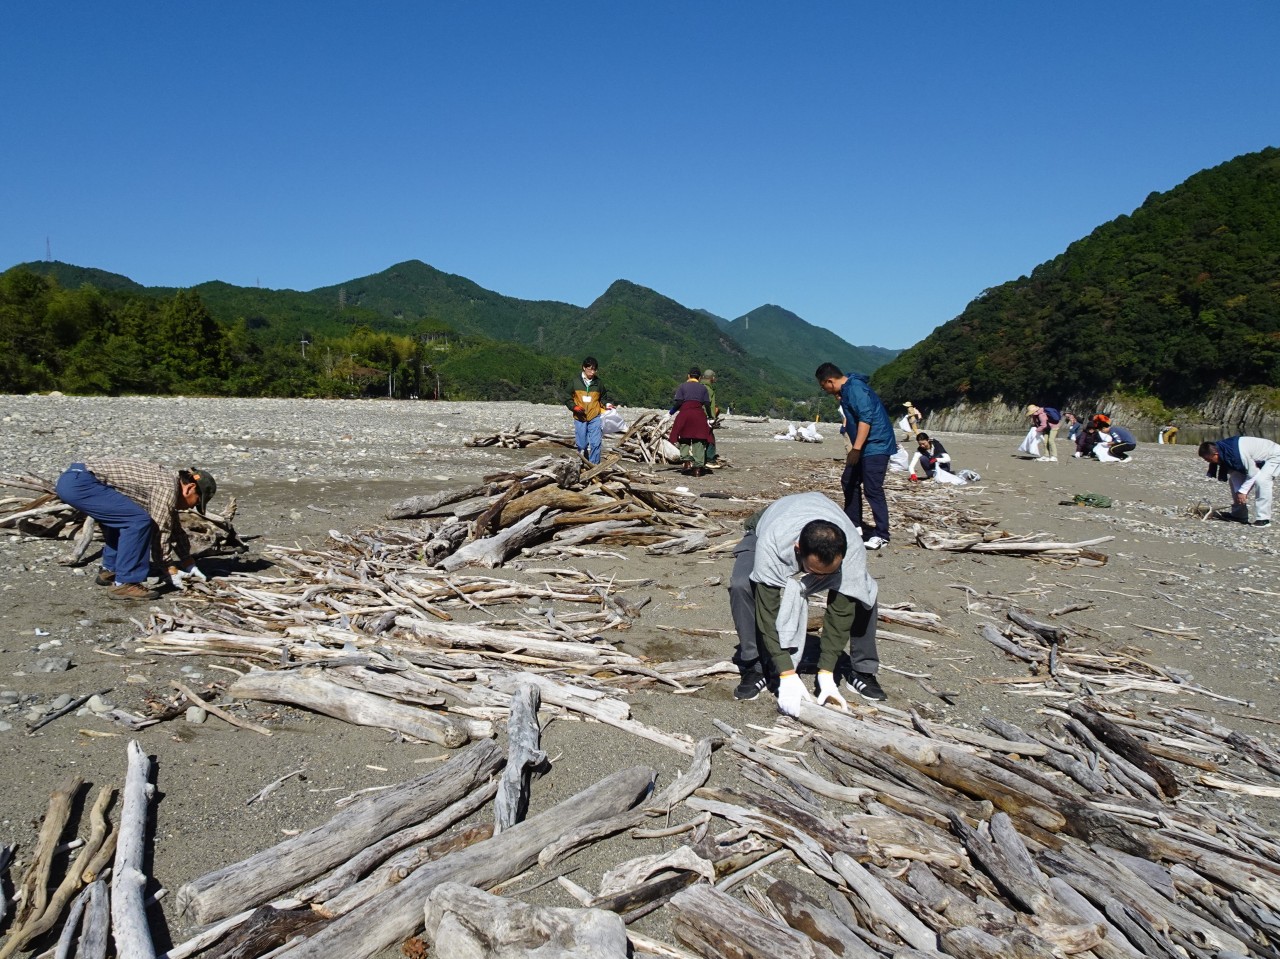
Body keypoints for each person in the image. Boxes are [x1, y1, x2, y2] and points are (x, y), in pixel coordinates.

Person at [729, 491, 884, 710]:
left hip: (819, 515)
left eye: (828, 573)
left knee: (863, 591)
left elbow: (841, 611)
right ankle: (754, 665)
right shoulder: (773, 543)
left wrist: (826, 674)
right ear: (798, 549)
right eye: (814, 572)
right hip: (770, 522)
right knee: (741, 584)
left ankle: (863, 670)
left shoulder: (852, 549)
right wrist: (787, 672)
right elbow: (767, 610)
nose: (819, 580)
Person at [54, 460, 216, 601]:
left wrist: (188, 563)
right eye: (195, 502)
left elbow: (174, 528)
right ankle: (126, 582)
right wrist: (169, 569)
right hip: (81, 483)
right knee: (138, 522)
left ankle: (111, 570)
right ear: (190, 487)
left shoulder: (169, 482)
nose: (191, 507)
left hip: (74, 478)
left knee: (123, 518)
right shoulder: (166, 487)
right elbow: (161, 531)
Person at [815, 362, 896, 550]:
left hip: (876, 445)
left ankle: (882, 535)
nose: (823, 389)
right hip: (865, 446)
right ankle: (854, 525)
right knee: (848, 481)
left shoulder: (855, 388)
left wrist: (856, 449)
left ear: (829, 380)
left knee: (872, 489)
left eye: (822, 386)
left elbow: (866, 419)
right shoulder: (847, 388)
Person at [1199, 437, 1280, 527]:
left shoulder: (1237, 454)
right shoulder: (1225, 452)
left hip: (1274, 455)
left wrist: (1243, 491)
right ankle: (1239, 515)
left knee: (1262, 481)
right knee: (1234, 483)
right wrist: (1239, 492)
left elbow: (1254, 473)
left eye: (1208, 459)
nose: (1208, 462)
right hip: (1255, 457)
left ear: (1216, 454)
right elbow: (1234, 473)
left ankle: (1263, 519)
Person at [668, 367, 714, 476]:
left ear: (688, 376)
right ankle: (697, 469)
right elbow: (707, 404)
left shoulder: (682, 386)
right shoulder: (703, 388)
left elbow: (679, 402)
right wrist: (710, 417)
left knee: (684, 439)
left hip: (685, 414)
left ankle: (687, 462)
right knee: (699, 440)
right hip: (699, 415)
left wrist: (670, 413)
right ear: (700, 377)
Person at [568, 357, 607, 465]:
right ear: (584, 368)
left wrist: (606, 406)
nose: (592, 372)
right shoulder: (575, 382)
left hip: (595, 416)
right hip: (580, 417)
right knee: (582, 445)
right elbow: (566, 397)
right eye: (590, 369)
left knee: (596, 443)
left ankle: (594, 466)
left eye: (594, 369)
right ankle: (582, 463)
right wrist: (573, 407)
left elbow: (603, 397)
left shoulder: (598, 383)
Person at [702, 369, 722, 469]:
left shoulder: (699, 386)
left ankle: (700, 458)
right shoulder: (708, 389)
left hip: (697, 416)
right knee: (710, 439)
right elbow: (707, 404)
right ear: (712, 378)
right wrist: (710, 416)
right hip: (705, 417)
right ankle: (709, 459)